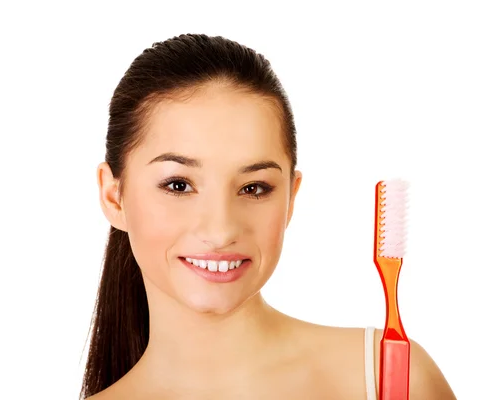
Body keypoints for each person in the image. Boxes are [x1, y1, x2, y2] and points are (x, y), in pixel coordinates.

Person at [81, 33, 456, 400]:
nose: (221, 229)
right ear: (114, 197)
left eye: (254, 188)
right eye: (179, 185)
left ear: (291, 198)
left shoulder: (390, 378)